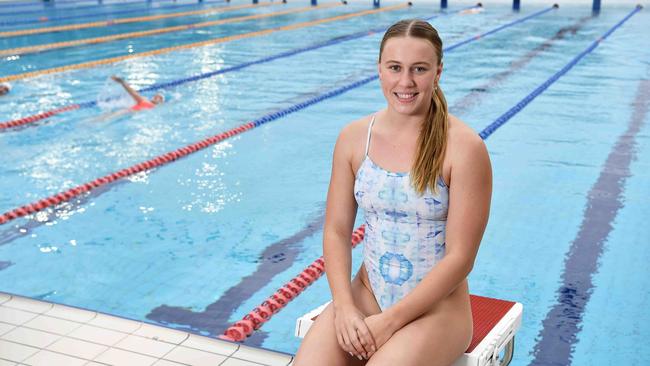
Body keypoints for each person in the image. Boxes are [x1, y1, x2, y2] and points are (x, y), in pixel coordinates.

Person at [293, 19, 492, 366]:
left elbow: (460, 258)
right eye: (395, 68)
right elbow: (337, 230)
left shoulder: (464, 148)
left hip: (437, 310)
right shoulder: (355, 138)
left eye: (419, 69)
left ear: (438, 72)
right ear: (380, 70)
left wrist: (391, 321)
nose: (406, 82)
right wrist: (344, 307)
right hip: (368, 294)